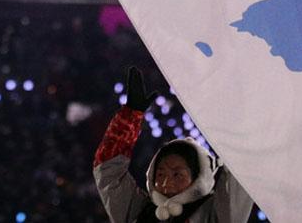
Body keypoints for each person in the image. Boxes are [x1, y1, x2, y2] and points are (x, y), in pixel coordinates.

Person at [93, 66, 255, 222]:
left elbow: (240, 175)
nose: (166, 184)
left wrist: (239, 128)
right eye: (160, 175)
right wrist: (130, 117)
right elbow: (108, 170)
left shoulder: (214, 214)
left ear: (197, 177)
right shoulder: (137, 211)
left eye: (177, 174)